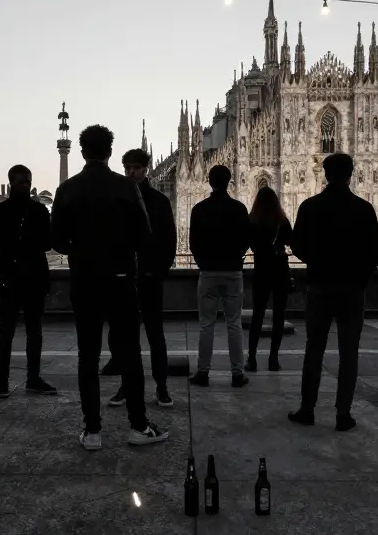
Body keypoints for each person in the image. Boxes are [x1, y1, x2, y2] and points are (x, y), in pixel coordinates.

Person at [51, 125, 169, 451]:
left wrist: (81, 250)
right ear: (110, 152)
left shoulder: (67, 189)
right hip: (120, 280)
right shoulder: (126, 187)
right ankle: (138, 426)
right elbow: (144, 236)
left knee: (87, 357)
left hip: (84, 280)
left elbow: (56, 240)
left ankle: (92, 431)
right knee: (130, 353)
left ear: (82, 151)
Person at [288, 153, 378, 432]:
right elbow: (375, 250)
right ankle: (343, 414)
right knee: (349, 353)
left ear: (325, 175)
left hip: (319, 286)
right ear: (351, 174)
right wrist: (360, 275)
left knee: (314, 349)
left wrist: (317, 262)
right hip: (352, 289)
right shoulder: (363, 209)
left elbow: (297, 245)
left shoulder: (310, 206)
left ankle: (307, 409)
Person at [107, 148, 177, 408]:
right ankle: (127, 386)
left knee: (155, 335)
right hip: (124, 279)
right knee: (128, 338)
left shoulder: (159, 201)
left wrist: (156, 272)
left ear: (146, 169)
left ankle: (162, 387)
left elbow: (169, 240)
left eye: (136, 167)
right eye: (127, 167)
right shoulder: (118, 200)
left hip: (149, 278)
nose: (131, 172)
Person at [0, 164, 57, 398]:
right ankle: (4, 382)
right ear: (11, 183)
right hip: (19, 278)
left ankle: (29, 379)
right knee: (9, 332)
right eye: (21, 182)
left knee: (31, 331)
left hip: (25, 278)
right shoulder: (35, 211)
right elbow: (46, 242)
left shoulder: (2, 212)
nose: (25, 186)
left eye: (28, 182)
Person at [188, 165, 251, 388]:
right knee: (234, 324)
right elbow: (246, 239)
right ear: (229, 181)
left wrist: (203, 262)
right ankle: (237, 374)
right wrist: (235, 256)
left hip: (208, 272)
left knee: (206, 324)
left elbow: (193, 242)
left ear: (209, 181)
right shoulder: (239, 208)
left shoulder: (200, 209)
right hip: (233, 272)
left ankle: (203, 372)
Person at [246, 186, 292, 373]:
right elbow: (291, 240)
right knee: (279, 316)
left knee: (257, 315)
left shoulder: (252, 221)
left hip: (262, 269)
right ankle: (273, 359)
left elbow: (247, 243)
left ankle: (252, 359)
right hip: (280, 269)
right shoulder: (282, 221)